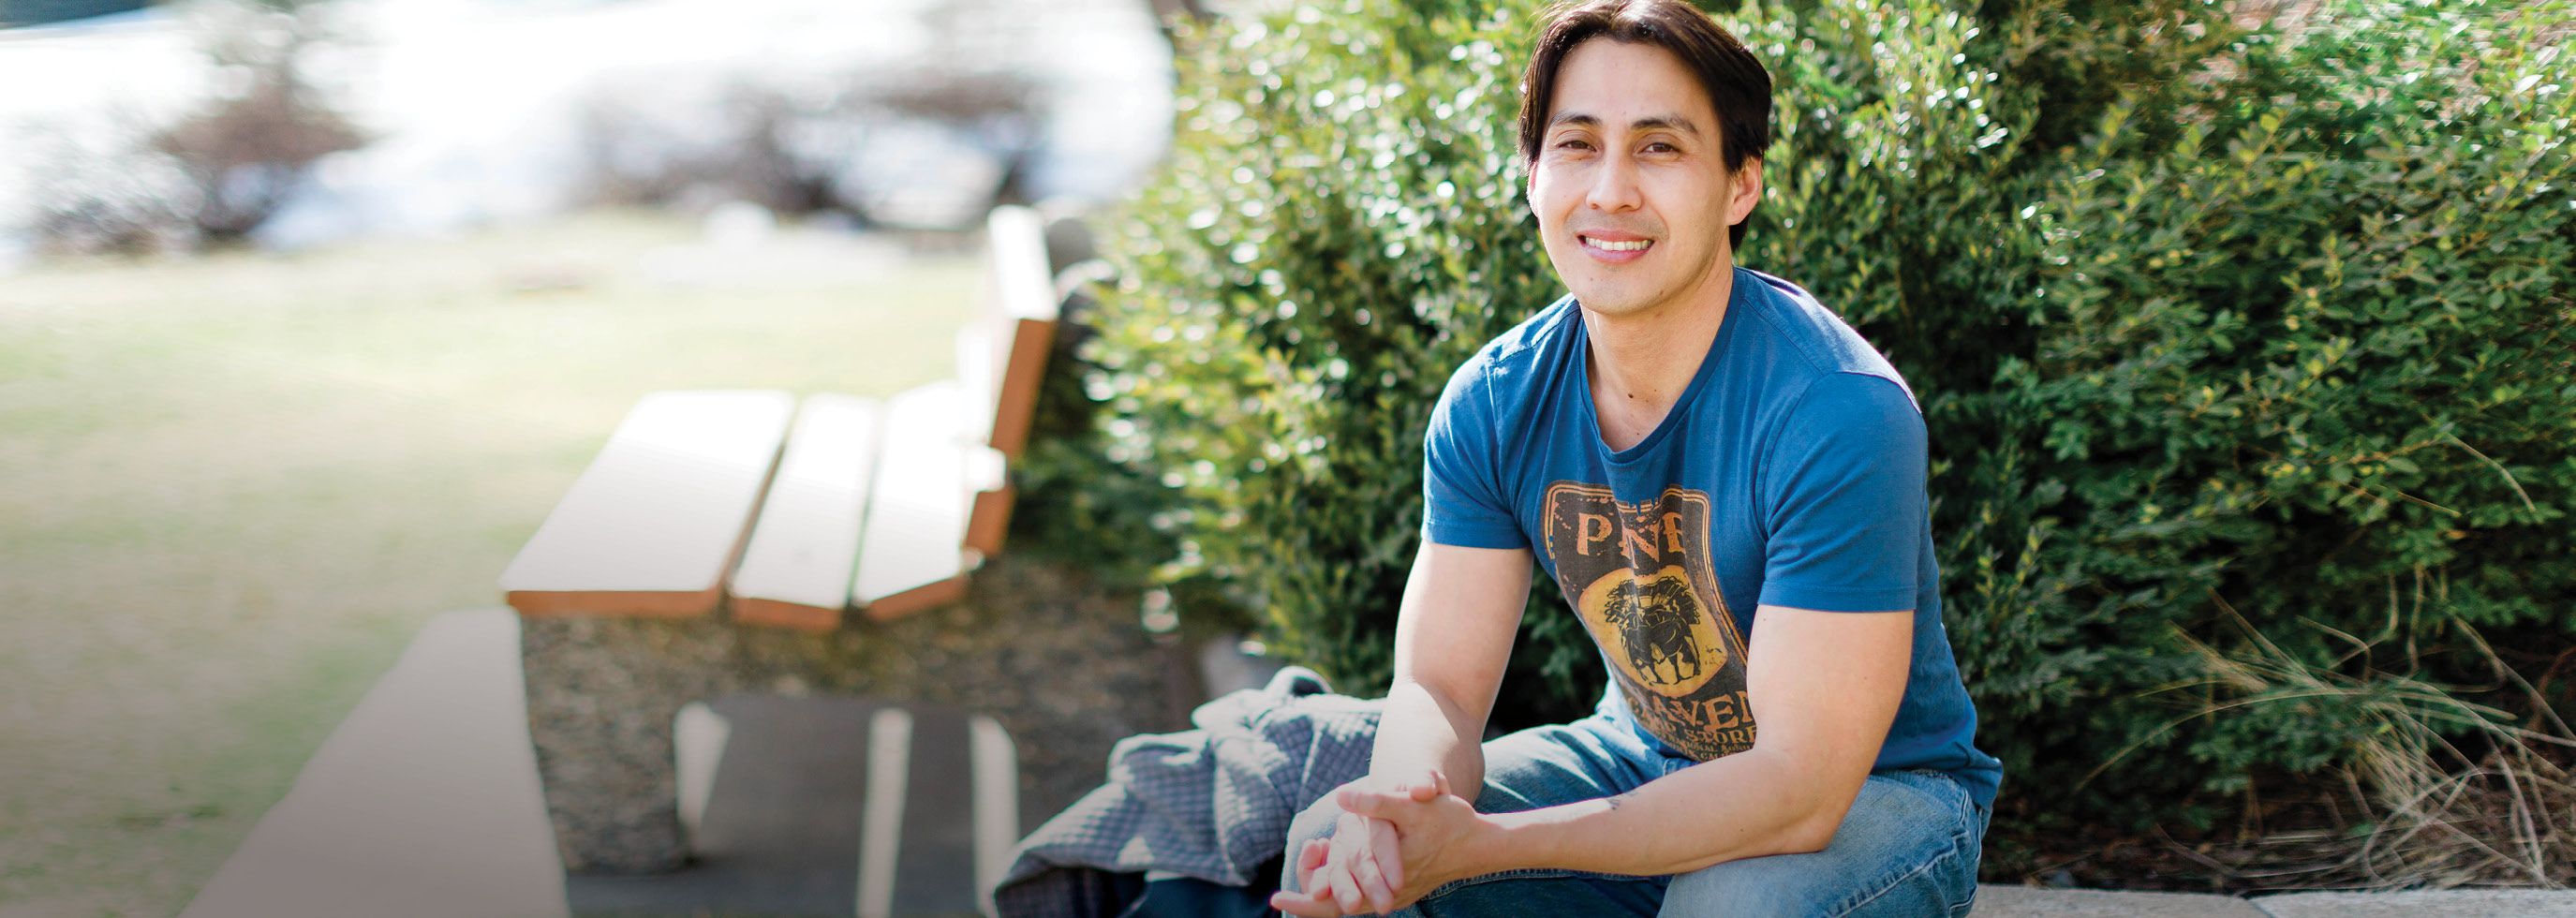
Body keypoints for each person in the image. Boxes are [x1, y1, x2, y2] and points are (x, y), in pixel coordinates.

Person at [1266, 1, 2004, 915]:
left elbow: (1799, 785)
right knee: (1333, 853)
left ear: (1739, 186)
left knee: (1730, 907)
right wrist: (1402, 814)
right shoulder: (1495, 399)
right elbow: (1438, 686)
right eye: (1576, 144)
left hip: (1878, 794)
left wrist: (1482, 846)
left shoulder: (1837, 409)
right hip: (1640, 750)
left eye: (1659, 148)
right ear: (1533, 175)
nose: (1610, 189)